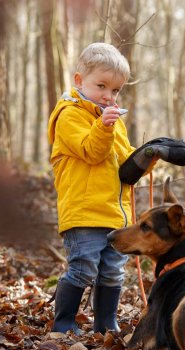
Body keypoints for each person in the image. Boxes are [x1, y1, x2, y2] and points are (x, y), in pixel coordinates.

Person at [48, 42, 138, 335]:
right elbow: (91, 151)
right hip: (84, 212)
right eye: (101, 85)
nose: (108, 96)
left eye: (115, 90)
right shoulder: (69, 115)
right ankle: (63, 324)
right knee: (84, 268)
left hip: (114, 213)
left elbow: (126, 163)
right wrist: (104, 127)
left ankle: (105, 323)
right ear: (78, 81)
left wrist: (152, 155)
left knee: (113, 271)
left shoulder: (111, 120)